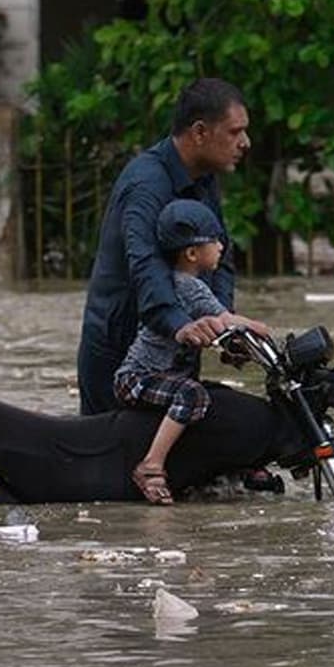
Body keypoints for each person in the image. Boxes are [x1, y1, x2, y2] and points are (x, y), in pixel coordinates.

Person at [75, 77, 251, 415]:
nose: (246, 142)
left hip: (174, 352)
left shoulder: (204, 178)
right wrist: (179, 323)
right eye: (234, 132)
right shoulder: (146, 184)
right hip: (122, 354)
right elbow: (146, 264)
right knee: (114, 462)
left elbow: (219, 256)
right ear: (200, 132)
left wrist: (222, 321)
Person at [114, 200, 270, 505]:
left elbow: (219, 328)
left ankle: (237, 465)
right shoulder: (187, 286)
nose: (222, 246)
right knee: (192, 395)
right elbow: (225, 319)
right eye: (214, 240)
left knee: (220, 398)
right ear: (192, 253)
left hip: (158, 377)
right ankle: (151, 467)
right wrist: (259, 327)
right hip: (136, 378)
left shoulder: (186, 284)